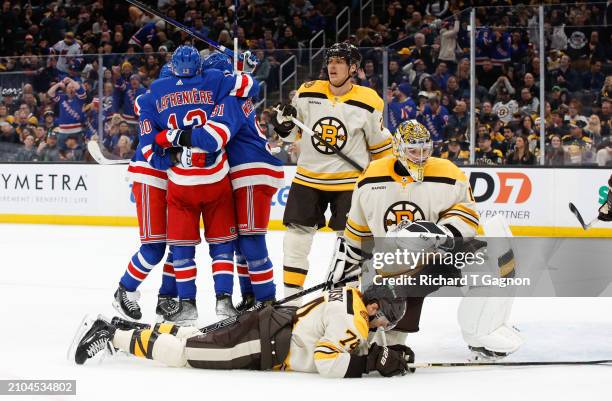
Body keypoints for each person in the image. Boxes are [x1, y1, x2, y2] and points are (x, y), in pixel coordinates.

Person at [327, 119, 522, 359]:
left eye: (425, 150)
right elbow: (354, 239)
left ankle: (483, 334)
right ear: (398, 149)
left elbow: (469, 213)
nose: (420, 157)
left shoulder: (448, 172)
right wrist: (340, 291)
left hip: (438, 258)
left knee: (489, 264)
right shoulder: (370, 179)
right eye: (413, 150)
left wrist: (444, 234)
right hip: (393, 272)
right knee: (378, 343)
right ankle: (372, 342)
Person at [132, 45, 260, 325]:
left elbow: (148, 139)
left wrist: (171, 153)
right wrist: (243, 68)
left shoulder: (156, 90)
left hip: (180, 182)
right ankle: (225, 302)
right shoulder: (215, 80)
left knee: (181, 247)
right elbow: (252, 85)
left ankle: (185, 304)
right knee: (223, 245)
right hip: (216, 178)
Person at [159, 52, 285, 310]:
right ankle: (251, 296)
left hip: (252, 170)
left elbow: (211, 140)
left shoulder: (229, 101)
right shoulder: (232, 94)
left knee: (250, 239)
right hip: (245, 171)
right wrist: (245, 68)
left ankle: (266, 301)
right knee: (240, 240)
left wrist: (170, 136)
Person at [72, 285, 414, 379]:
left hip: (268, 325)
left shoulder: (351, 295)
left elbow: (340, 334)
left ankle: (128, 328)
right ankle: (109, 334)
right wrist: (370, 363)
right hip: (263, 342)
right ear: (372, 308)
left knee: (193, 339)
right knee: (186, 355)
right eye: (385, 320)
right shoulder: (353, 320)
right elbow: (327, 361)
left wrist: (381, 353)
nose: (383, 326)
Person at [271, 42, 393, 304]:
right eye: (330, 61)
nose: (332, 66)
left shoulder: (369, 101)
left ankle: (343, 300)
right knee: (296, 240)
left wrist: (383, 182)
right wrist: (283, 125)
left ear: (353, 68)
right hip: (308, 178)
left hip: (350, 183)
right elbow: (293, 134)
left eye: (339, 61)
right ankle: (290, 302)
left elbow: (380, 147)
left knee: (350, 243)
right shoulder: (307, 92)